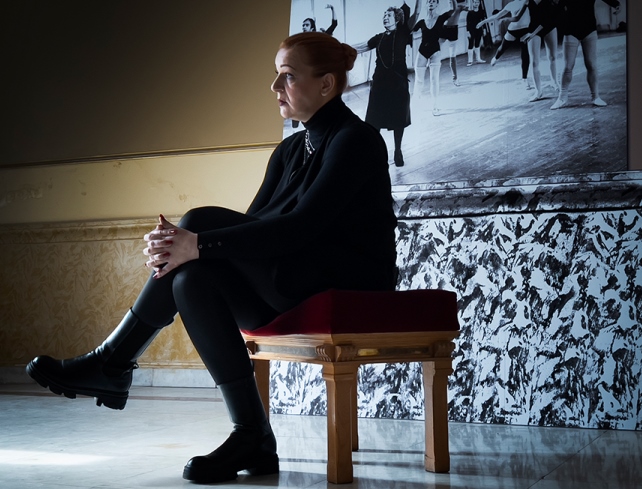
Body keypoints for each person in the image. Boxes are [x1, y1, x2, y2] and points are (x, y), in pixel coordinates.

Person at [25, 32, 397, 484]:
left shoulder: (357, 140)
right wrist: (184, 249)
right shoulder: (290, 151)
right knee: (191, 280)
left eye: (287, 76)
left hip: (343, 282)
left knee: (198, 223)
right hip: (288, 281)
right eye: (276, 75)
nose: (274, 87)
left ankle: (113, 362)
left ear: (326, 84)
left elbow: (301, 228)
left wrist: (195, 242)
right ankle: (252, 433)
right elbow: (254, 228)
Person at [352, 1, 421, 167]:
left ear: (397, 19)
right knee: (374, 120)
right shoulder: (379, 37)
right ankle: (376, 153)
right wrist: (339, 47)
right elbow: (361, 47)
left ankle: (398, 151)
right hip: (380, 83)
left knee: (398, 119)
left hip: (398, 83)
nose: (385, 17)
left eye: (388, 15)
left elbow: (417, 13)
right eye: (384, 15)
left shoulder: (403, 32)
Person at [550, 0, 621, 109]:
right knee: (568, 67)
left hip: (589, 30)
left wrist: (616, 4)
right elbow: (557, 9)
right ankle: (562, 98)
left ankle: (595, 97)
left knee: (591, 65)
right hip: (571, 31)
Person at [412, 0, 461, 116]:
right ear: (426, 4)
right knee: (419, 81)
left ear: (437, 4)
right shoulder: (421, 22)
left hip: (435, 52)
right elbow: (410, 30)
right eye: (429, 1)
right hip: (422, 52)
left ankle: (435, 106)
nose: (431, 3)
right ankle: (414, 103)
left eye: (433, 1)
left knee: (434, 80)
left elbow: (453, 9)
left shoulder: (441, 18)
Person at [521, 0, 560, 102]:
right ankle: (538, 91)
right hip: (533, 29)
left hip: (548, 26)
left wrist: (532, 34)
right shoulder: (527, 1)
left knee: (552, 57)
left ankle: (555, 82)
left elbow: (546, 19)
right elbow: (517, 17)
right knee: (534, 62)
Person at [465, 0, 487, 66]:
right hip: (471, 30)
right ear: (473, 3)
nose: (476, 4)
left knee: (477, 44)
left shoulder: (481, 12)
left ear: (479, 3)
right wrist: (468, 32)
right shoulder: (470, 13)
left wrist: (484, 29)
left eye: (477, 2)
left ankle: (478, 59)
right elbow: (467, 23)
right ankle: (470, 61)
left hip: (479, 30)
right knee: (471, 44)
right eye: (475, 2)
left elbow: (483, 21)